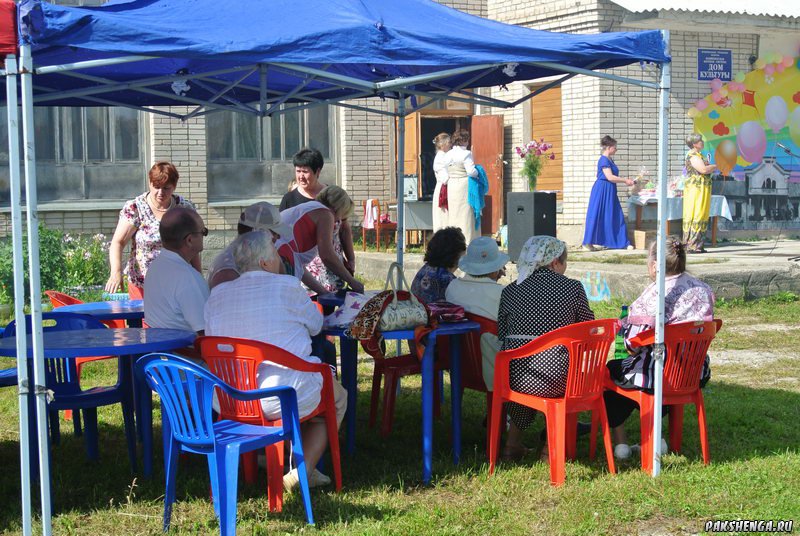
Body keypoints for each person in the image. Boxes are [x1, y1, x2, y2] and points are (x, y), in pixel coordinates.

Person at [204, 230, 347, 490]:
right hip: (282, 396)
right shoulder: (288, 286)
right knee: (337, 399)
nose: (281, 261)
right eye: (277, 256)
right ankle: (302, 471)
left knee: (311, 389)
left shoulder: (217, 294)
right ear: (265, 263)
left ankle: (271, 460)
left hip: (231, 398)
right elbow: (316, 326)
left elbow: (212, 339)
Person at [604, 236, 715, 459]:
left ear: (655, 265)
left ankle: (621, 444)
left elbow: (632, 343)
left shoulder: (653, 295)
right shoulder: (703, 289)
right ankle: (659, 438)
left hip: (658, 375)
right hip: (693, 373)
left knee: (612, 371)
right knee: (641, 374)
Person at [496, 236, 594, 461]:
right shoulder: (572, 288)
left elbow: (503, 334)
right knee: (562, 370)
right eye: (565, 261)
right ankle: (549, 450)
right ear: (554, 262)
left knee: (526, 380)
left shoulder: (510, 291)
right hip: (558, 379)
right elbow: (588, 328)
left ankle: (512, 446)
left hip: (515, 378)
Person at [105, 162, 198, 299]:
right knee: (146, 320)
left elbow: (193, 247)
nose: (161, 193)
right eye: (156, 187)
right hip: (143, 285)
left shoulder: (184, 209)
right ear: (149, 183)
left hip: (178, 284)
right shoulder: (136, 208)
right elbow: (117, 243)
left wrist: (198, 278)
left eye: (166, 188)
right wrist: (116, 272)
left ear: (174, 186)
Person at [280, 148, 356, 292]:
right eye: (298, 171)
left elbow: (345, 229)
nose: (301, 176)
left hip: (333, 263)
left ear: (318, 171)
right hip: (306, 266)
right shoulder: (290, 199)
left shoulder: (333, 195)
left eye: (305, 171)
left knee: (333, 305)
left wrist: (350, 258)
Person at [444, 236, 509, 390]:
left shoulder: (452, 287)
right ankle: (511, 414)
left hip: (459, 365)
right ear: (495, 268)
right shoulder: (502, 293)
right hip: (493, 368)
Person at [277, 185, 364, 294]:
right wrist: (352, 281)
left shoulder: (309, 208)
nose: (338, 221)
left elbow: (298, 267)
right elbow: (327, 255)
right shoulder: (326, 214)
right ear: (340, 208)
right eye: (341, 216)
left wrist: (324, 293)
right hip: (277, 262)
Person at [143, 207, 209, 335]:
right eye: (203, 232)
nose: (204, 236)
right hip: (185, 352)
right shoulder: (188, 277)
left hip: (159, 351)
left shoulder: (155, 267)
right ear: (189, 240)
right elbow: (205, 331)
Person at [207, 202, 290, 290]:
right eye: (275, 232)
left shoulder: (260, 252)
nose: (278, 236)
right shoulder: (227, 270)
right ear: (259, 232)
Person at [582, 136, 635, 251]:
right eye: (615, 148)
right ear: (609, 147)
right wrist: (625, 180)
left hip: (610, 190)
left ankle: (621, 242)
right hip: (602, 190)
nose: (616, 150)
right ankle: (588, 242)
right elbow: (609, 177)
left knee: (615, 214)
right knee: (597, 214)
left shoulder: (610, 159)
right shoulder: (603, 160)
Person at [410, 227, 466, 304]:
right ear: (455, 252)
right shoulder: (448, 280)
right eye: (464, 248)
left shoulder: (425, 269)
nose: (465, 253)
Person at [682, 133, 718, 253]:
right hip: (696, 189)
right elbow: (702, 169)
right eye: (699, 141)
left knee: (702, 213)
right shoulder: (693, 155)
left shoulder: (699, 155)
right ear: (694, 144)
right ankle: (691, 244)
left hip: (702, 188)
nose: (702, 142)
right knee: (696, 212)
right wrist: (714, 166)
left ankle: (698, 244)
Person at [445, 129, 480, 243]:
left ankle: (453, 241)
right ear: (464, 140)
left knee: (454, 215)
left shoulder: (448, 154)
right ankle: (467, 241)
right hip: (464, 186)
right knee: (466, 215)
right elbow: (471, 171)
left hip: (452, 185)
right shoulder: (466, 153)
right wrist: (479, 172)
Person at [431, 132, 452, 232]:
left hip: (447, 188)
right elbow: (445, 178)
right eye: (449, 142)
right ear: (443, 144)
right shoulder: (440, 158)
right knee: (443, 219)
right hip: (442, 190)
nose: (450, 145)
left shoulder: (446, 156)